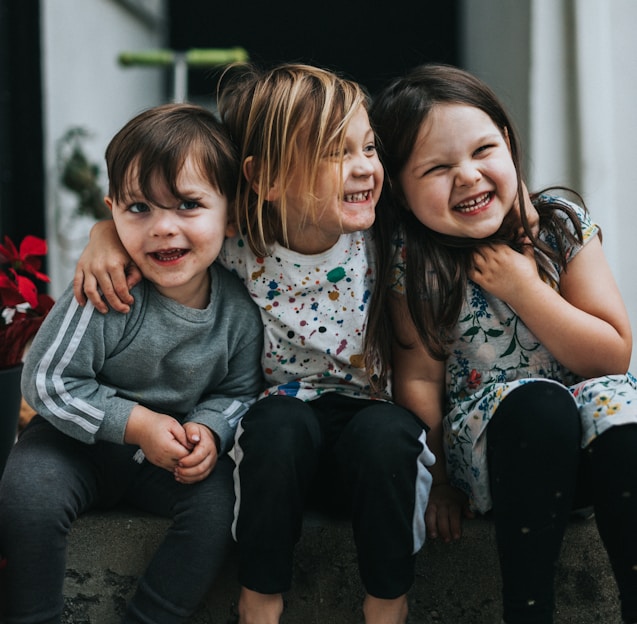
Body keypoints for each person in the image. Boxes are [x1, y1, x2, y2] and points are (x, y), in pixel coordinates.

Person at [69, 63, 435, 624]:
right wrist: (103, 236)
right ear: (266, 179)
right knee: (277, 422)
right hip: (280, 452)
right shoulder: (245, 242)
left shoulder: (386, 240)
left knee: (389, 434)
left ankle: (388, 604)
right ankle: (259, 600)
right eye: (337, 153)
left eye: (368, 148)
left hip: (369, 436)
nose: (364, 167)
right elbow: (171, 214)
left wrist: (449, 479)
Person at [365, 62, 637, 624]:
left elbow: (612, 356)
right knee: (538, 406)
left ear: (509, 145)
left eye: (482, 150)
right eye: (438, 168)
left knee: (626, 408)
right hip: (498, 456)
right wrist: (437, 482)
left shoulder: (561, 228)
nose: (467, 176)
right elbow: (417, 378)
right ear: (398, 188)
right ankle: (527, 611)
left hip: (588, 451)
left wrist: (524, 289)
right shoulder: (415, 263)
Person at [0, 103, 264, 624]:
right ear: (112, 210)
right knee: (27, 494)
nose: (162, 228)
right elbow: (46, 380)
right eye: (139, 208)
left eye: (188, 205)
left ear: (231, 214)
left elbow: (242, 389)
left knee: (219, 506)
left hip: (171, 459)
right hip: (74, 446)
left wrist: (209, 431)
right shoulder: (106, 289)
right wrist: (137, 424)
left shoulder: (239, 309)